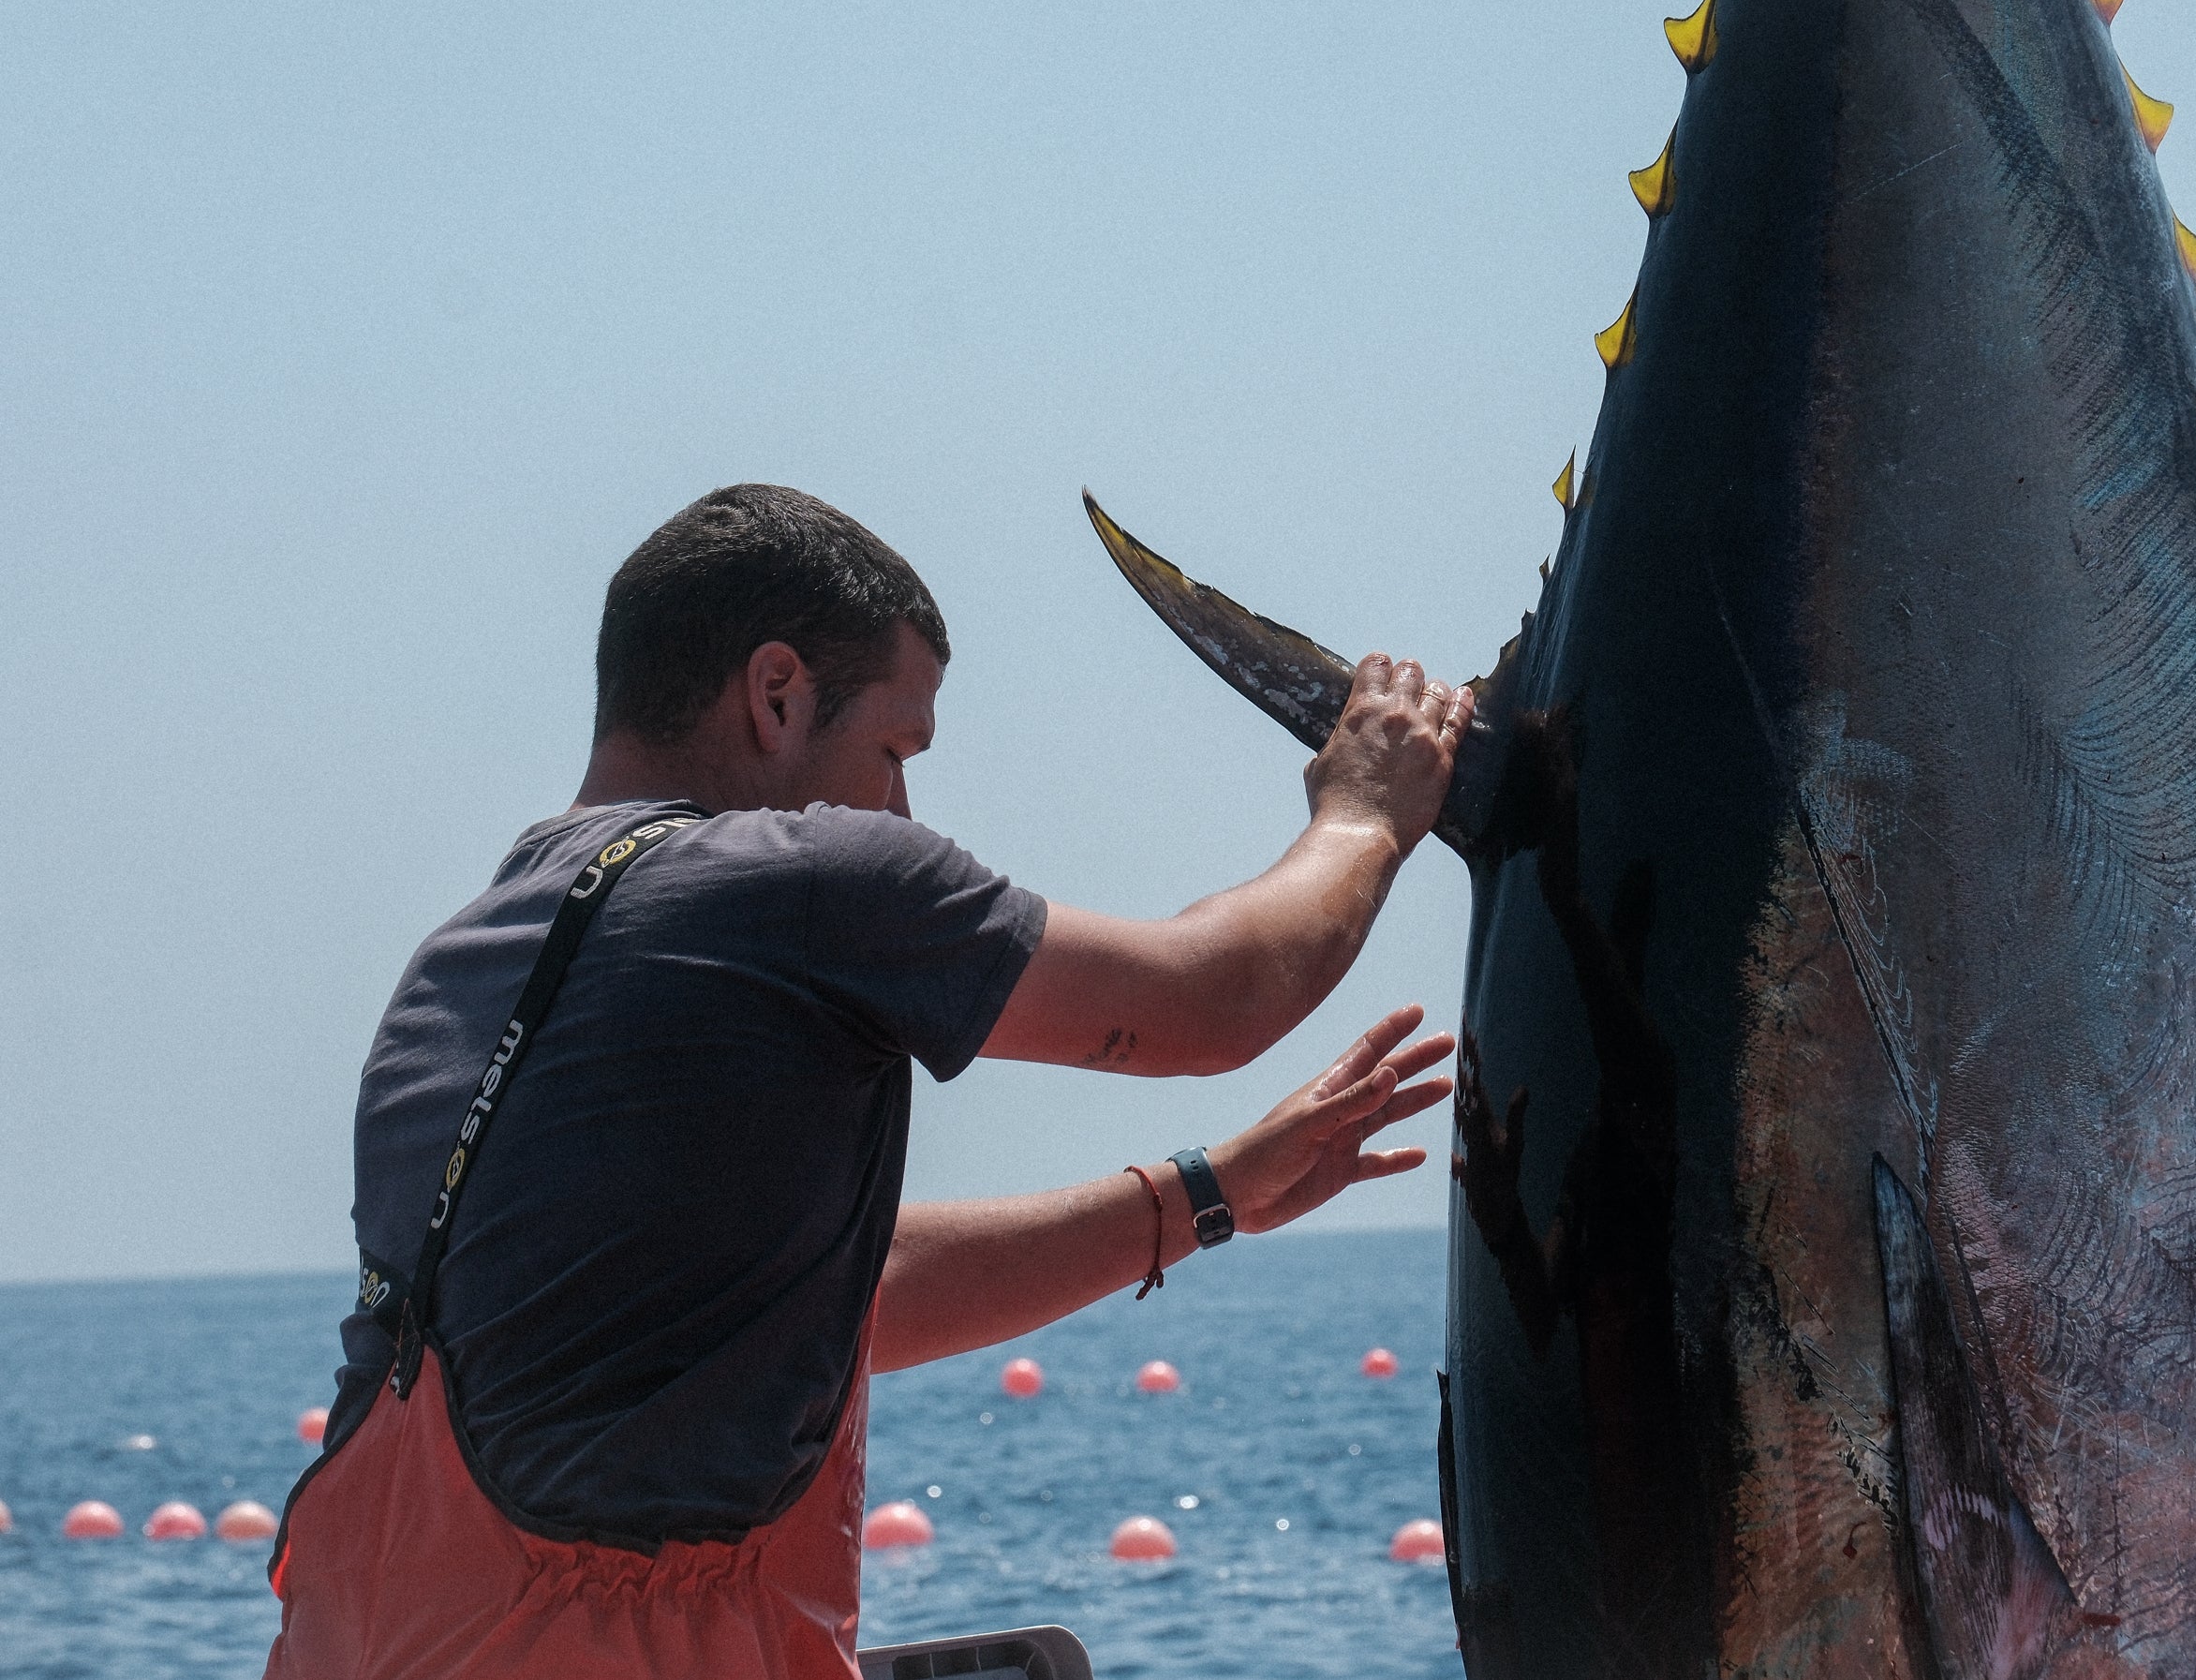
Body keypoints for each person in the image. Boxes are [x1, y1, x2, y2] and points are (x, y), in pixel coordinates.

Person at [264, 483, 1472, 1679]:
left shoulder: (465, 963)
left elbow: (816, 1296)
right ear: (777, 694)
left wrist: (1206, 1194)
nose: (902, 802)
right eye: (895, 745)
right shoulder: (798, 881)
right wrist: (1367, 811)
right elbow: (1212, 1001)